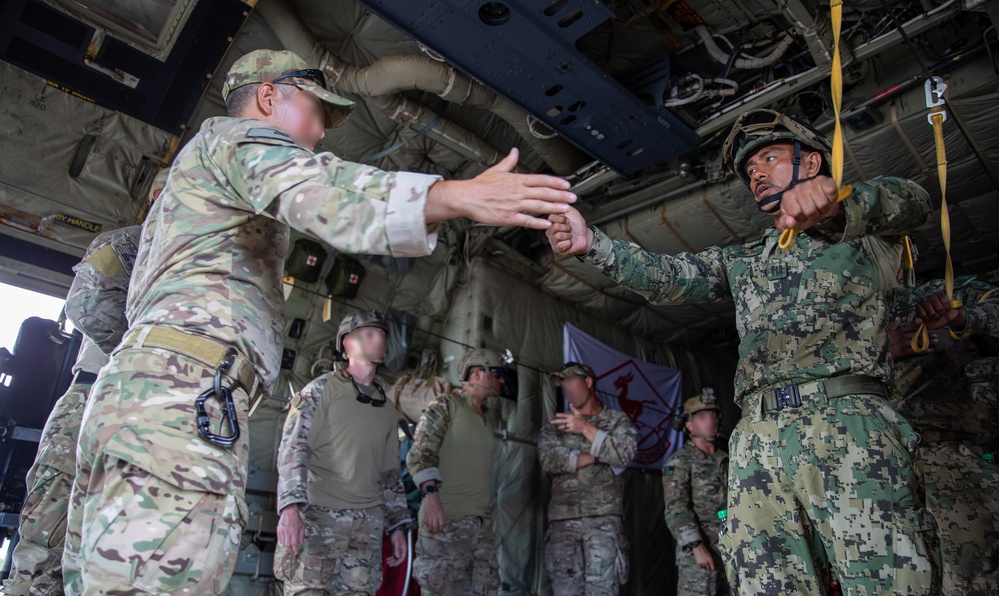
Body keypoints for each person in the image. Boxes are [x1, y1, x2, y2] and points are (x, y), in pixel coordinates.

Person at [64, 48, 576, 594]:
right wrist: (454, 196)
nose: (317, 134)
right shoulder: (234, 138)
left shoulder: (204, 176)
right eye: (311, 112)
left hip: (161, 394)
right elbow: (324, 189)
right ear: (267, 98)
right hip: (180, 399)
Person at [545, 108, 936, 593]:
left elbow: (915, 201)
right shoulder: (746, 259)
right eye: (750, 170)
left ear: (812, 165)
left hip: (847, 419)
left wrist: (838, 206)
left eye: (769, 158)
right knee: (766, 583)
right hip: (757, 436)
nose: (757, 174)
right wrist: (593, 245)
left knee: (885, 577)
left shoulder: (864, 237)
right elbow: (668, 278)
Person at [6, 171, 163, 594]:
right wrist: (141, 357)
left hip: (146, 413)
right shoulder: (129, 242)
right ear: (159, 195)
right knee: (48, 533)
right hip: (94, 395)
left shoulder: (195, 259)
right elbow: (85, 303)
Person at [273, 311, 410, 595]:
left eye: (382, 335)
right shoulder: (321, 390)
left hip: (366, 526)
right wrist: (290, 509)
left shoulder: (386, 403)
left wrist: (398, 525)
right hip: (320, 518)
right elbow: (293, 449)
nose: (379, 341)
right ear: (347, 344)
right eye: (370, 335)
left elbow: (390, 473)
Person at [890, 274, 999, 594]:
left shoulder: (939, 294)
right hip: (874, 475)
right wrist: (877, 352)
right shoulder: (833, 317)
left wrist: (963, 318)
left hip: (948, 462)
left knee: (971, 582)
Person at [406, 349, 505, 595]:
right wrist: (430, 496)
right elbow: (419, 453)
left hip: (481, 528)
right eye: (498, 373)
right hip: (445, 522)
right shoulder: (446, 404)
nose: (502, 380)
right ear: (478, 372)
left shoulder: (487, 419)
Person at [537, 362, 637, 596]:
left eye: (570, 381)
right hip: (563, 523)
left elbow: (624, 454)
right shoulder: (555, 428)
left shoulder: (617, 422)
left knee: (603, 590)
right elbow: (550, 461)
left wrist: (584, 428)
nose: (565, 388)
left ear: (588, 382)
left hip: (603, 521)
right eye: (562, 383)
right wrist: (599, 456)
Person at [662, 389, 728, 596]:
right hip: (699, 555)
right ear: (689, 425)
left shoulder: (728, 457)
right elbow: (676, 508)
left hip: (731, 549)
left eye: (713, 415)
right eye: (702, 417)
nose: (710, 420)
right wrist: (696, 545)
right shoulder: (680, 461)